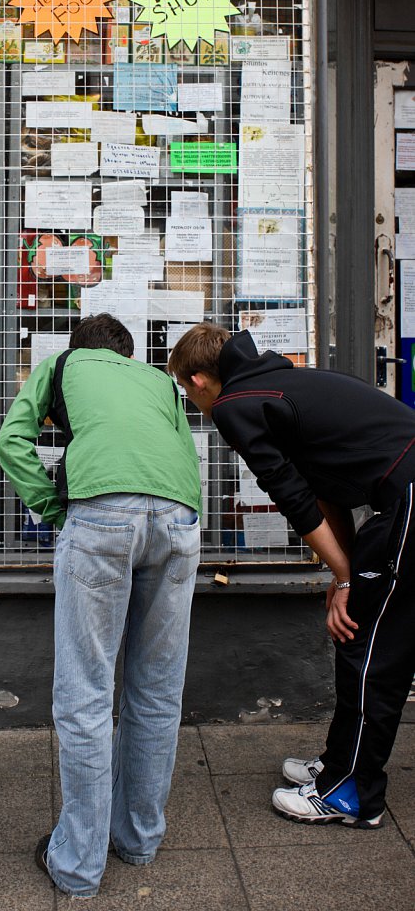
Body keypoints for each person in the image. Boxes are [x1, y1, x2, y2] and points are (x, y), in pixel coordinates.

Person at [168, 322, 415, 830]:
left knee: (372, 653)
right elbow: (327, 494)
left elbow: (294, 500)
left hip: (410, 504)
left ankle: (351, 793)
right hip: (400, 502)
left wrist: (348, 580)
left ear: (198, 380)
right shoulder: (281, 384)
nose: (192, 404)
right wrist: (345, 572)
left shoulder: (237, 404)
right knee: (362, 641)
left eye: (186, 392)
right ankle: (340, 763)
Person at [0, 314, 202, 898]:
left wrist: (54, 508)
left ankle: (79, 866)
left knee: (85, 692)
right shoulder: (160, 381)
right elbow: (185, 453)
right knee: (157, 687)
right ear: (127, 353)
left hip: (101, 517)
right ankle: (138, 839)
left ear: (78, 350)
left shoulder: (61, 366)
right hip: (178, 521)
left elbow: (12, 442)